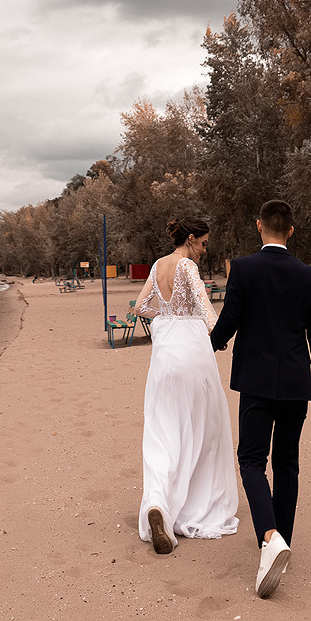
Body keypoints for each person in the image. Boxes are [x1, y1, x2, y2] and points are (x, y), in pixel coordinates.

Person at [210, 199, 311, 600]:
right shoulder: (309, 275)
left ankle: (269, 536)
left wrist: (208, 345)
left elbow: (230, 319)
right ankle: (283, 541)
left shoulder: (243, 269)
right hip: (295, 382)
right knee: (287, 463)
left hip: (256, 381)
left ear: (259, 225)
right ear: (291, 230)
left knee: (250, 460)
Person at [134, 216, 239, 554]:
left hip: (164, 358)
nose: (204, 250)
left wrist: (167, 318)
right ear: (191, 238)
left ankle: (157, 504)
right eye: (203, 243)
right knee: (205, 429)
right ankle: (196, 505)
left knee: (164, 433)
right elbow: (206, 308)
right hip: (192, 354)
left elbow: (140, 307)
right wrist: (218, 335)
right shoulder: (187, 266)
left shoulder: (158, 266)